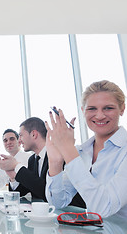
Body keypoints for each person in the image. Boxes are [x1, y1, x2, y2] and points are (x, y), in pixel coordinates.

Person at [45, 80, 127, 218]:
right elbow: (58, 202)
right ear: (83, 111)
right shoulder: (83, 152)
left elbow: (104, 208)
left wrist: (68, 150)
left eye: (108, 108)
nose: (100, 115)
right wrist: (55, 163)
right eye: (92, 109)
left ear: (122, 109)